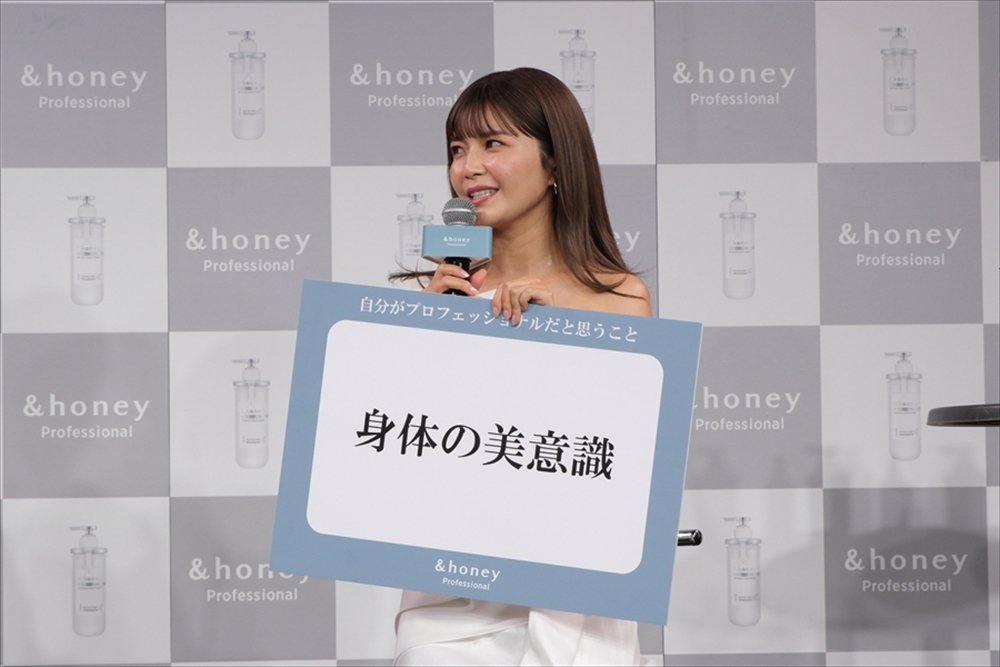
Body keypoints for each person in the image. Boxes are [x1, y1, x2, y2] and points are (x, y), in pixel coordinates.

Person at [390, 67, 652, 666]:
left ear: (555, 162)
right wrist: (421, 337)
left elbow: (627, 459)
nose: (468, 168)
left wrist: (562, 334)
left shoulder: (617, 297)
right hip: (450, 594)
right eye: (457, 149)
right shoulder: (434, 298)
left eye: (493, 144)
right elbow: (397, 451)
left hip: (575, 592)